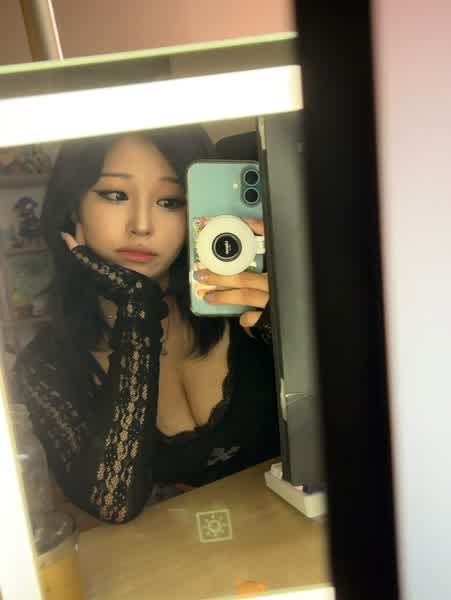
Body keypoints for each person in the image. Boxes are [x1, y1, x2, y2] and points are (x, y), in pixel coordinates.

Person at [12, 125, 279, 524]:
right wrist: (136, 307)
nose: (141, 225)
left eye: (169, 201)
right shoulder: (45, 365)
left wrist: (293, 323)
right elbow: (112, 503)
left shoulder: (248, 308)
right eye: (115, 195)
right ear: (73, 207)